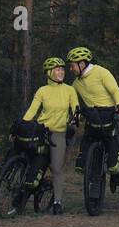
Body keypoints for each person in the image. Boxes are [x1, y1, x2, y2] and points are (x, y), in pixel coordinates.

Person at [66, 46, 119, 215]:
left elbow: (115, 91)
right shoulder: (76, 84)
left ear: (82, 63)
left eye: (72, 65)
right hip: (96, 121)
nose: (70, 68)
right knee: (95, 157)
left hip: (115, 117)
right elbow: (73, 103)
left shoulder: (101, 72)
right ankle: (94, 195)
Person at [22, 56, 79, 215]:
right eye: (57, 69)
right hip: (41, 131)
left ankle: (57, 202)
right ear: (49, 73)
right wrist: (23, 125)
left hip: (59, 133)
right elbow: (32, 111)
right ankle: (24, 192)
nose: (61, 72)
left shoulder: (70, 90)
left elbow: (76, 110)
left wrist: (73, 124)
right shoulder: (42, 90)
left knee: (56, 168)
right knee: (30, 160)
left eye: (62, 69)